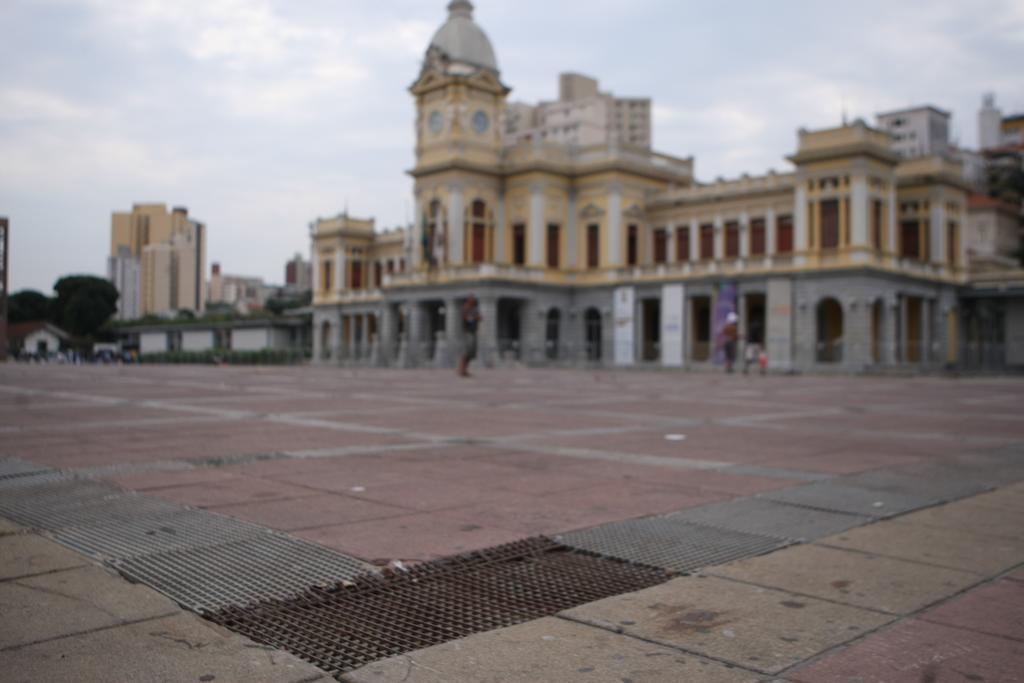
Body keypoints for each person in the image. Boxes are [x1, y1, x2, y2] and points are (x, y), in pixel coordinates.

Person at [458, 295, 481, 377]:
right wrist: (475, 317)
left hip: (473, 331)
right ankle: (462, 369)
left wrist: (476, 317)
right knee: (467, 350)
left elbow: (480, 318)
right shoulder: (466, 308)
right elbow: (468, 319)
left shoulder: (474, 309)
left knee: (471, 352)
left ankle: (465, 370)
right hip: (468, 332)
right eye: (472, 300)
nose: (473, 301)